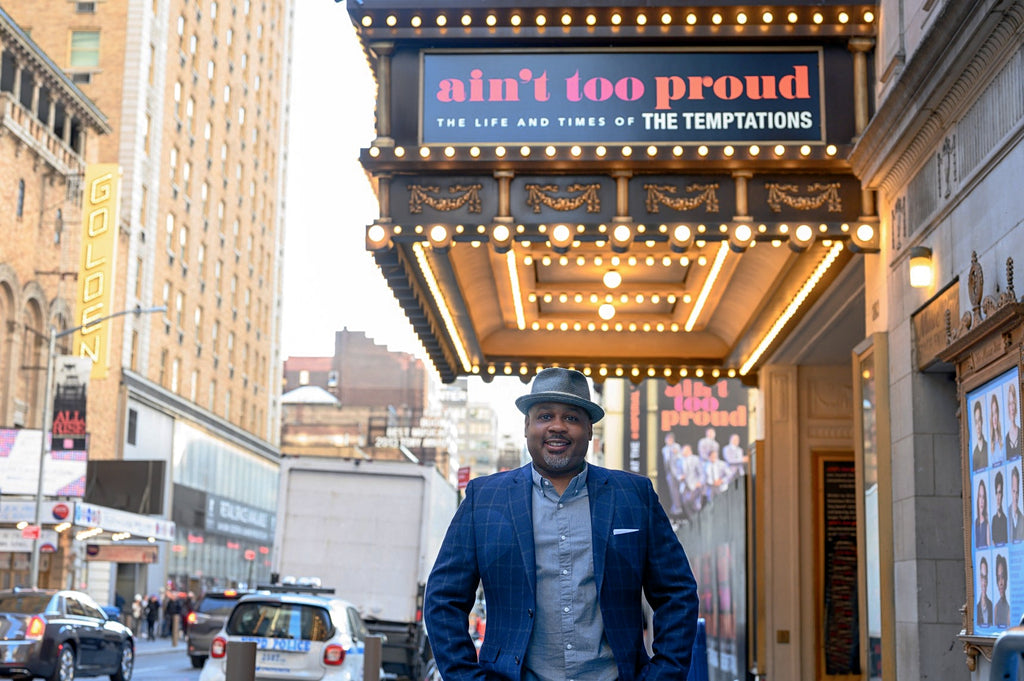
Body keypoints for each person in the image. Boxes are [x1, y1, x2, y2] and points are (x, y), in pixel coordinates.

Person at [424, 367, 699, 681]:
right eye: (544, 416)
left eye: (571, 418)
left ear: (590, 430)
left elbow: (677, 593)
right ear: (527, 426)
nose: (557, 427)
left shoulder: (634, 497)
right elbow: (442, 599)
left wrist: (664, 674)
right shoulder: (484, 499)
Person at [994, 553, 1011, 628]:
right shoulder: (996, 608)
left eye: (1002, 577)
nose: (1000, 583)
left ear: (1006, 578)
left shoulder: (1010, 608)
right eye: (998, 578)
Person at [992, 471, 1009, 545]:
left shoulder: (1006, 520)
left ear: (1002, 494)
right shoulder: (994, 520)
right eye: (997, 492)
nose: (998, 497)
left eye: (1000, 492)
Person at [977, 557, 993, 627]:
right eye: (982, 577)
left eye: (985, 577)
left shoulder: (991, 606)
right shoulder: (976, 608)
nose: (984, 582)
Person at [1006, 384, 1021, 460]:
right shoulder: (1006, 439)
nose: (1012, 408)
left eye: (1013, 403)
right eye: (1009, 404)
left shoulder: (1021, 432)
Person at [973, 399, 989, 470]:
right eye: (976, 422)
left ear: (982, 421)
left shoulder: (988, 448)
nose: (978, 426)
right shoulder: (974, 454)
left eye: (979, 421)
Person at [990, 393, 1006, 465]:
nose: (995, 418)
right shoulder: (990, 444)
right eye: (993, 414)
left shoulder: (1003, 440)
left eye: (996, 412)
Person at [976, 479, 990, 548]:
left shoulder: (987, 524)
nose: (981, 501)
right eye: (980, 496)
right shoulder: (974, 523)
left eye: (983, 497)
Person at [1011, 465, 1024, 542]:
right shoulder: (1006, 516)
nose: (1015, 497)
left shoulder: (1022, 519)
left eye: (1017, 492)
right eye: (1013, 491)